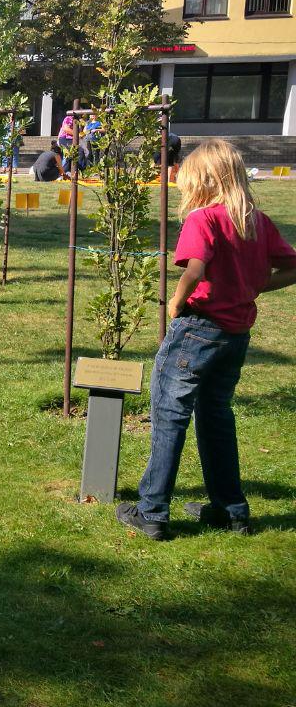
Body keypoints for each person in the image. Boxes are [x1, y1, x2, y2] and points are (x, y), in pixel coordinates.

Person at [118, 139, 296, 541]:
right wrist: (254, 287)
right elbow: (292, 267)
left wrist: (176, 302)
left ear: (206, 180)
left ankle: (151, 511)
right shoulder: (257, 222)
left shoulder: (203, 219)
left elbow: (195, 269)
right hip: (235, 335)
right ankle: (231, 511)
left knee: (169, 415)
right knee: (217, 417)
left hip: (196, 330)